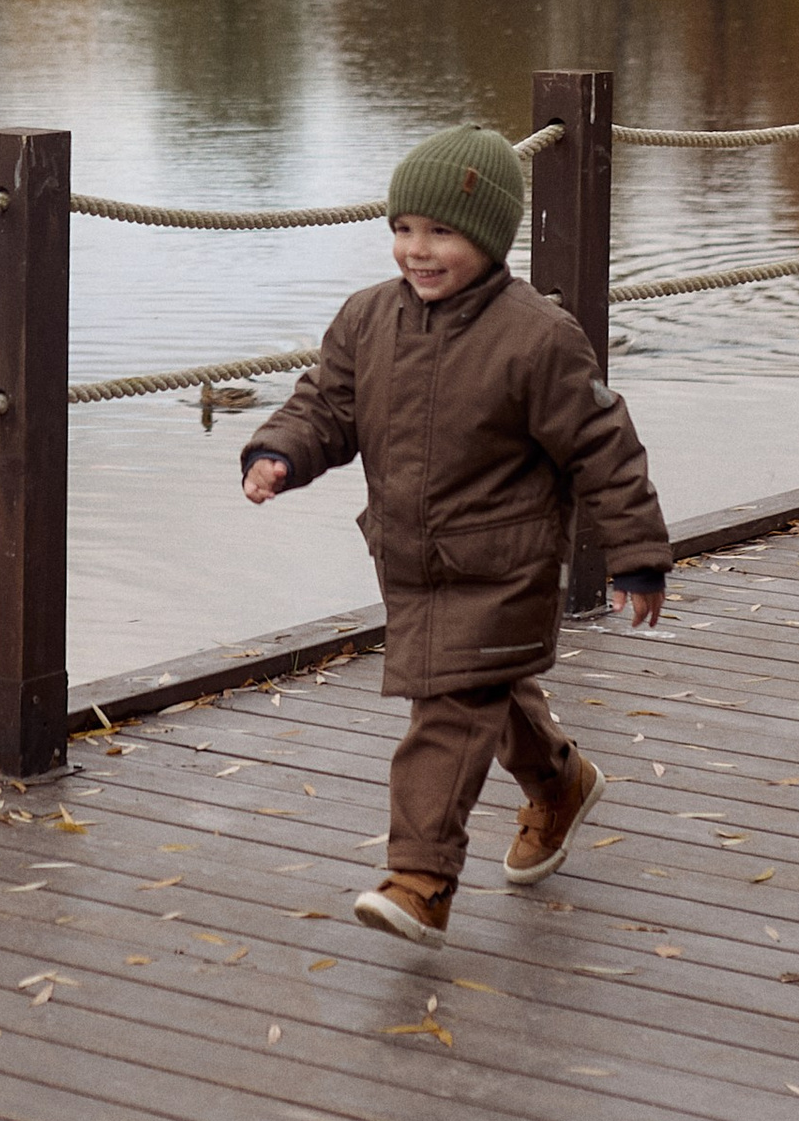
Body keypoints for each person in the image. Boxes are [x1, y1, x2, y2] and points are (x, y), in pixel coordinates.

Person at [240, 120, 669, 937]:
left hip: (504, 565)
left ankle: (421, 880)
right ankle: (560, 784)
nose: (418, 250)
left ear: (491, 237)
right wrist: (280, 454)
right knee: (482, 690)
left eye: (442, 231)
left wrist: (637, 555)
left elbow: (602, 447)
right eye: (403, 229)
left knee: (447, 710)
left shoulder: (536, 336)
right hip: (409, 559)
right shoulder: (368, 320)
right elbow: (326, 406)